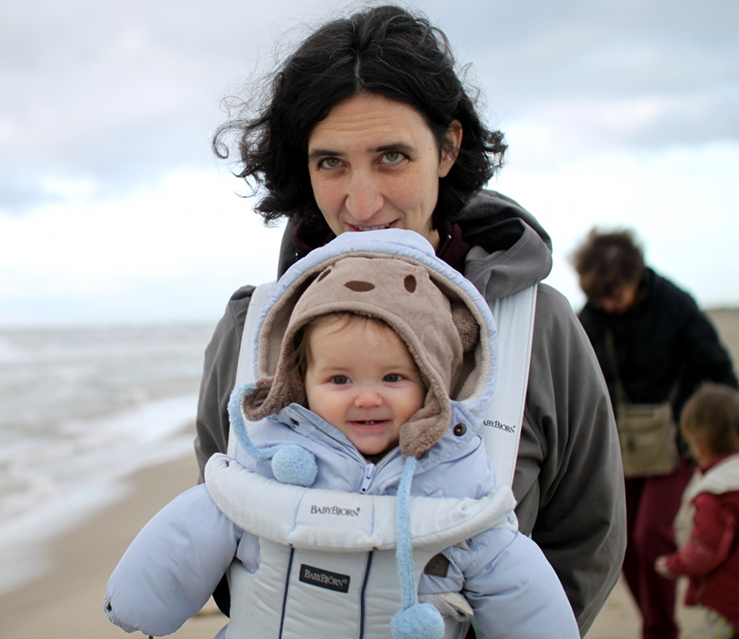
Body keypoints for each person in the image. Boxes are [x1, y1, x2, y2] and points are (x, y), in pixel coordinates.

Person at [196, 3, 625, 636]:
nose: (362, 202)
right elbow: (218, 524)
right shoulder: (250, 327)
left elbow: (587, 537)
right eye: (330, 162)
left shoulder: (538, 328)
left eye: (392, 156)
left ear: (448, 147)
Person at [105, 229, 579, 638]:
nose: (367, 398)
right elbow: (199, 525)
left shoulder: (456, 479)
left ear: (434, 384)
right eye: (339, 379)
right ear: (300, 383)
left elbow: (509, 572)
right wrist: (141, 603)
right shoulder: (267, 461)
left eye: (393, 378)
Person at [574, 228, 739, 639]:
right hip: (617, 445)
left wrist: (712, 439)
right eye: (601, 299)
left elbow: (719, 371)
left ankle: (660, 630)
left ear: (635, 276)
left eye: (615, 295)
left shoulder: (675, 304)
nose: (609, 305)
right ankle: (655, 622)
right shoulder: (591, 316)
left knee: (651, 534)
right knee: (621, 541)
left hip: (675, 444)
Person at [655, 384, 739, 638]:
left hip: (730, 600)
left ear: (699, 444)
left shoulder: (714, 492)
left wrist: (674, 564)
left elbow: (706, 548)